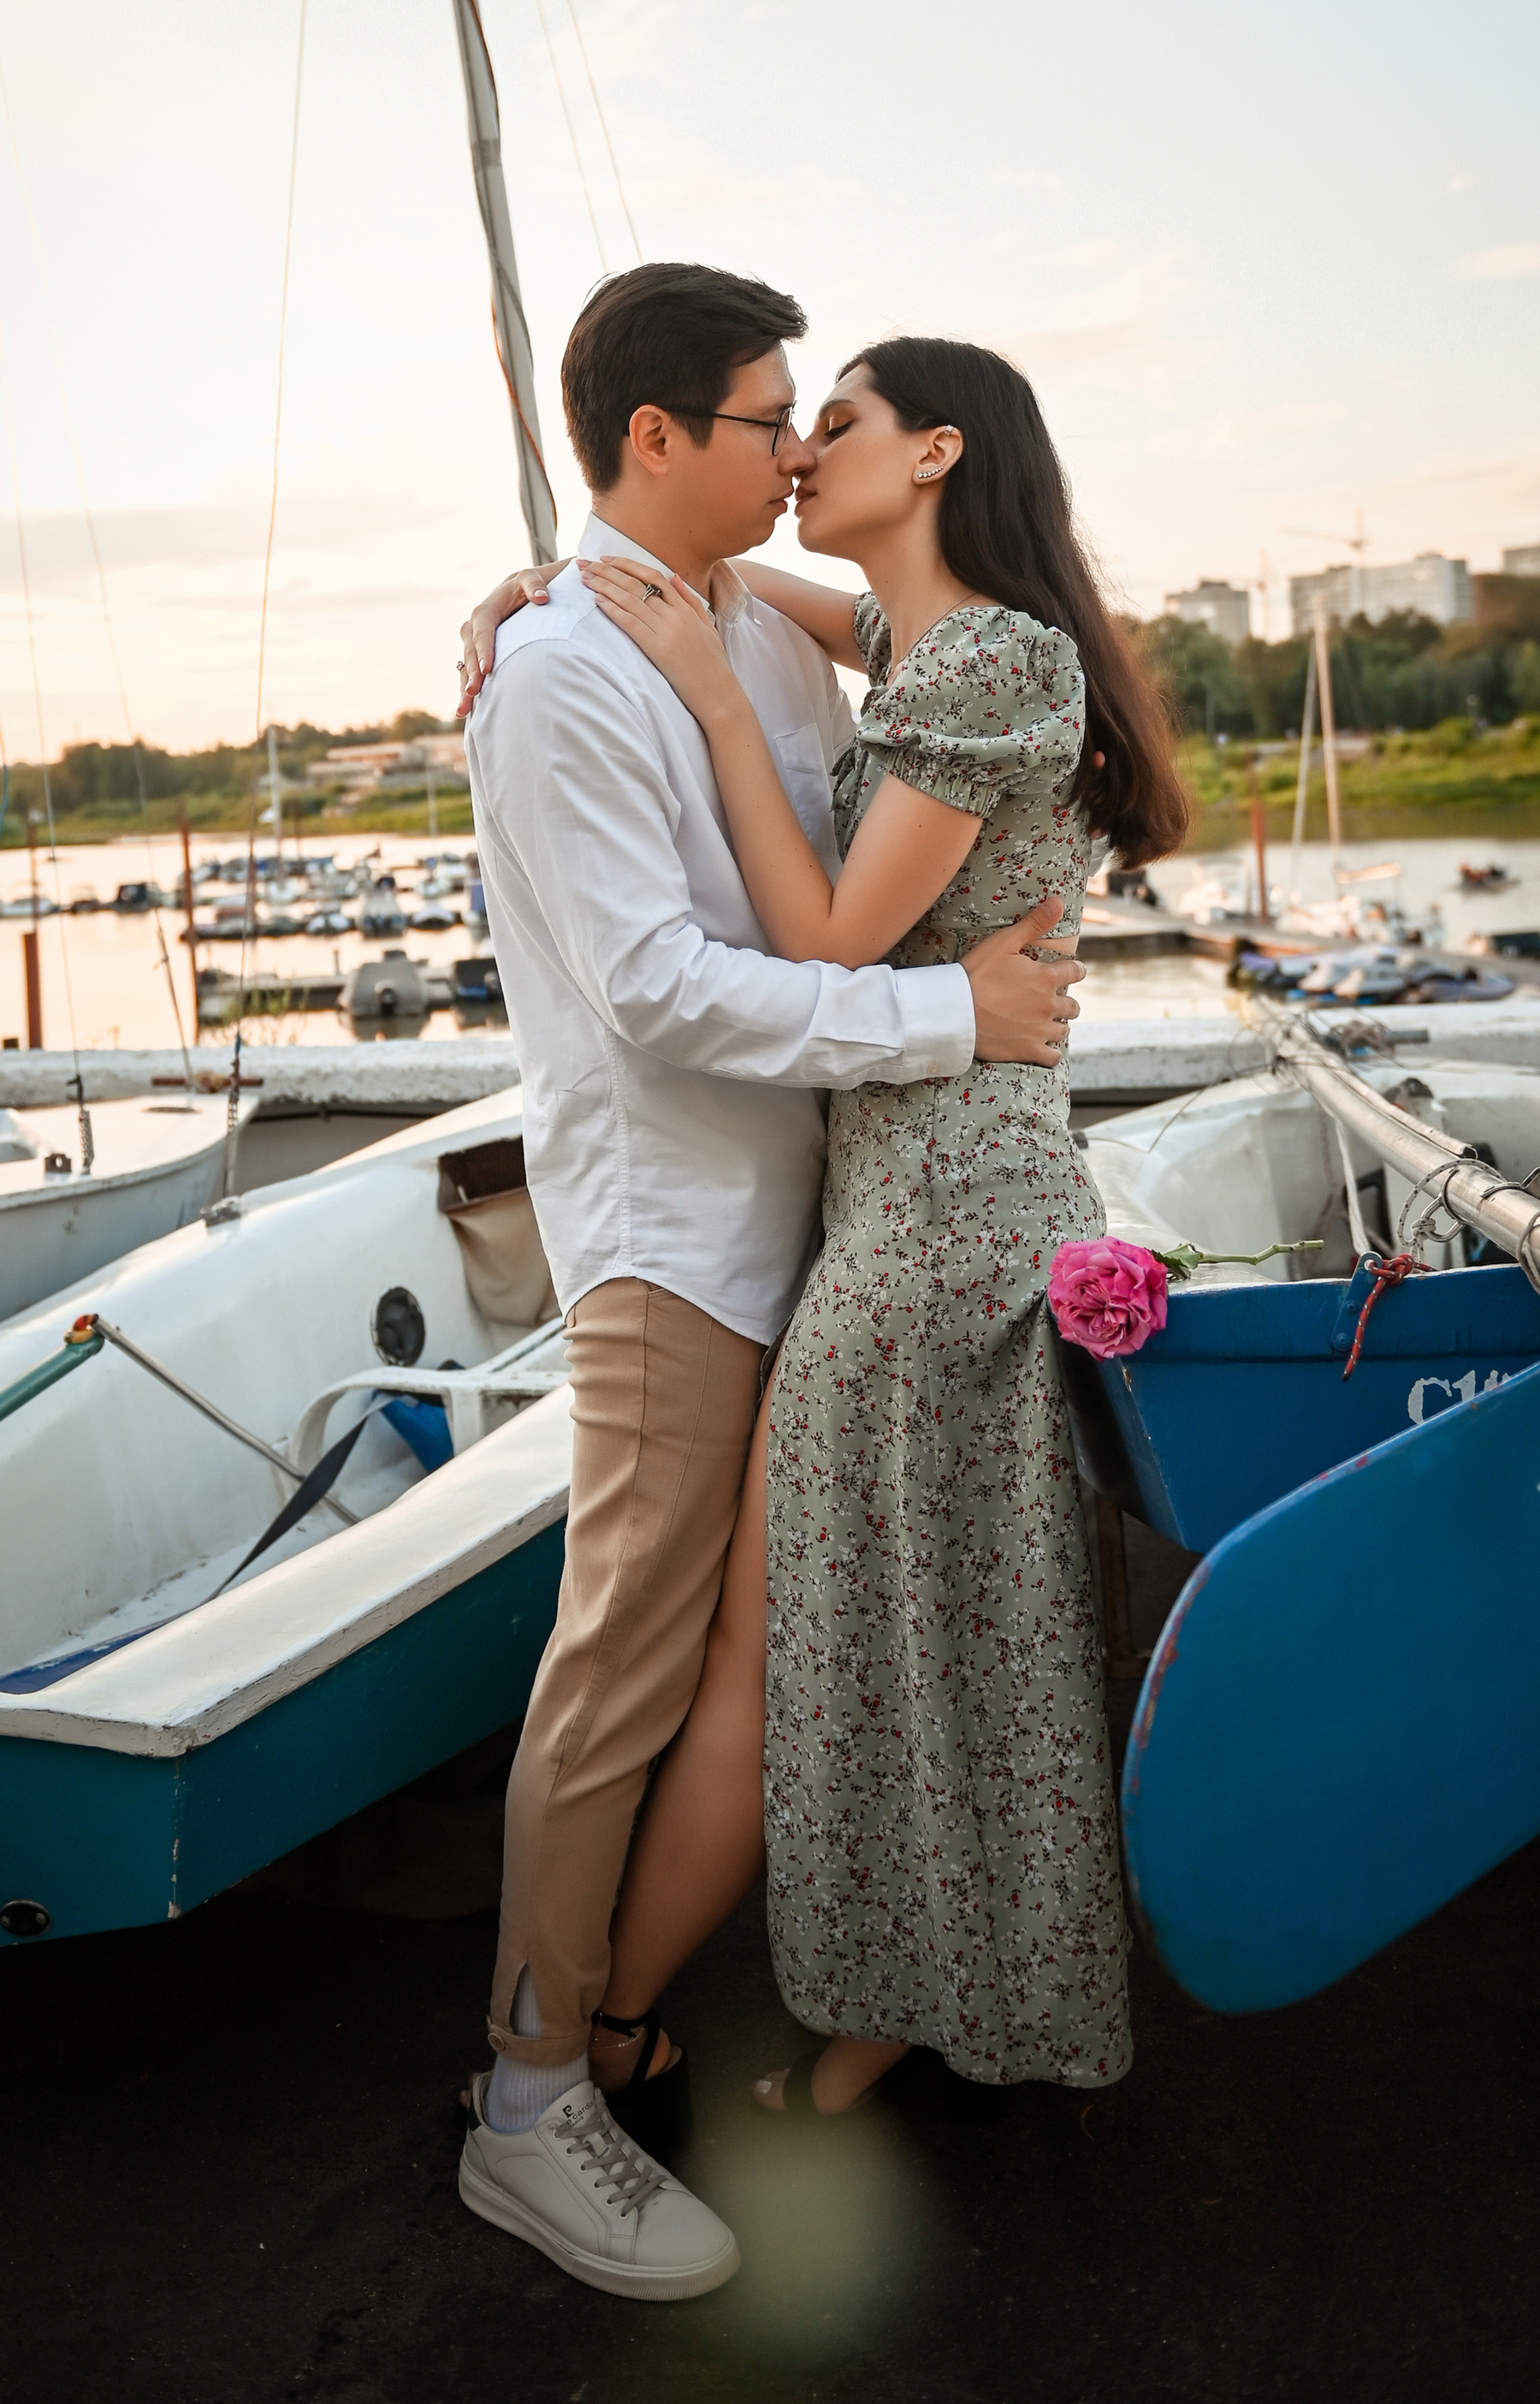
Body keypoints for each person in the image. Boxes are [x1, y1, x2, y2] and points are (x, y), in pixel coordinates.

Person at [469, 335, 1188, 2134]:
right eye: (776, 421)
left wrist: (712, 697)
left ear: (937, 449)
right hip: (903, 1198)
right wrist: (554, 585)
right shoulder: (910, 646)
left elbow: (828, 956)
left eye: (833, 422)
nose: (797, 453)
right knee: (931, 1634)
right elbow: (736, 589)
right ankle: (895, 2000)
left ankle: (616, 2033)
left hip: (938, 1217)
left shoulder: (985, 658)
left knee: (861, 1648)